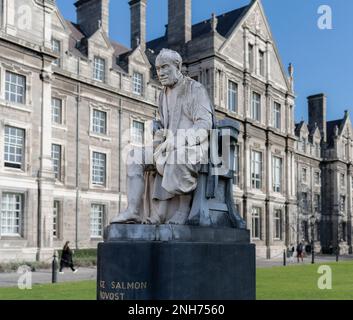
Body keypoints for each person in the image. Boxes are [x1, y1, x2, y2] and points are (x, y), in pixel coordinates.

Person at [111, 48, 214, 225]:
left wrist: (178, 140)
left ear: (178, 66)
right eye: (158, 69)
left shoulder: (195, 89)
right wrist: (158, 125)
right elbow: (168, 122)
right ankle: (133, 211)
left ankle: (183, 210)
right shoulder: (162, 94)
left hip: (193, 147)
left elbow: (205, 125)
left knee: (177, 156)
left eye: (165, 67)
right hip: (167, 147)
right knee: (134, 156)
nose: (161, 73)